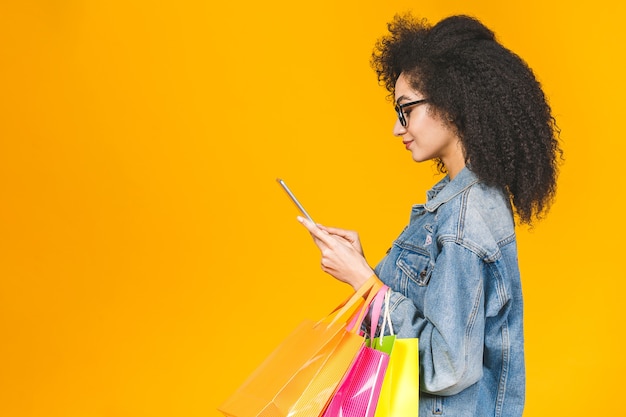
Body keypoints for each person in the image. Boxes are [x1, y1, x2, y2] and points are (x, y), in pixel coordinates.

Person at [297, 13, 562, 417]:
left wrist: (363, 282)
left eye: (406, 110)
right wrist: (365, 268)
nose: (396, 128)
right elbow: (431, 314)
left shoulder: (463, 220)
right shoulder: (460, 202)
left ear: (452, 104)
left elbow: (446, 366)